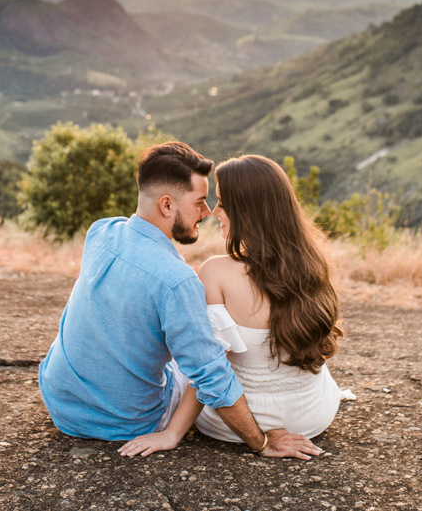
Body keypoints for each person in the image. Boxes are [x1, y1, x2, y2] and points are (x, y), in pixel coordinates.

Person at [38, 141, 323, 460]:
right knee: (203, 354)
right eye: (200, 202)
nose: (207, 212)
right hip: (125, 422)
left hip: (60, 402)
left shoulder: (102, 231)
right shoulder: (178, 281)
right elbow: (211, 376)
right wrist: (261, 443)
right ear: (167, 205)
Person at [118, 153, 344, 457]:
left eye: (222, 204)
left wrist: (172, 434)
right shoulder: (313, 263)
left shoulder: (216, 272)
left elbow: (207, 367)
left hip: (237, 425)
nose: (213, 212)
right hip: (313, 416)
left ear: (247, 212)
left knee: (183, 359)